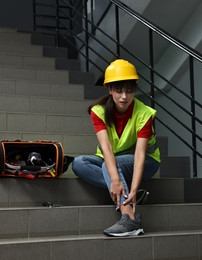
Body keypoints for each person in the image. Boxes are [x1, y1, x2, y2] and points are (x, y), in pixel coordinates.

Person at [72, 59, 161, 237]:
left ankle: (129, 218)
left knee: (109, 166)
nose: (124, 96)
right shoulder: (99, 111)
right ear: (110, 89)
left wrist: (134, 188)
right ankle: (123, 191)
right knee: (78, 163)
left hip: (146, 162)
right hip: (112, 160)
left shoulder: (144, 113)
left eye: (129, 91)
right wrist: (116, 180)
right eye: (118, 90)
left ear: (135, 90)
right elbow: (105, 147)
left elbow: (140, 155)